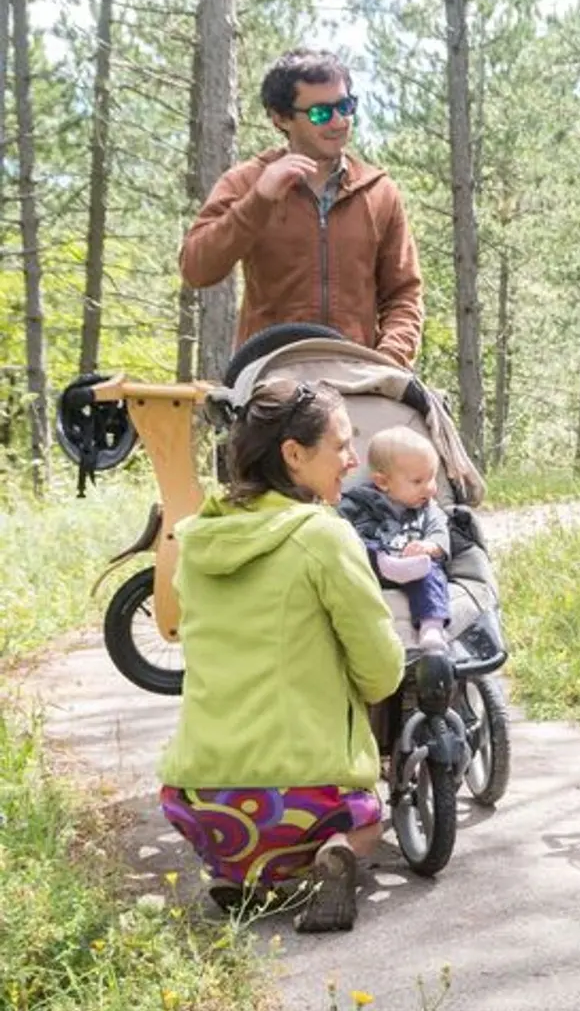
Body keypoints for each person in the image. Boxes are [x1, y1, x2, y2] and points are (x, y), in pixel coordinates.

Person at [157, 378, 405, 932]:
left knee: (236, 829)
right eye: (340, 446)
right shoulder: (322, 535)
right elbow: (382, 670)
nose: (352, 459)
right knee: (366, 820)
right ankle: (334, 850)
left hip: (199, 799)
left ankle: (236, 872)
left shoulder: (194, 541)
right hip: (305, 798)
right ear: (294, 455)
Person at [180, 48, 425, 368]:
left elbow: (404, 295)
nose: (339, 122)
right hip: (270, 377)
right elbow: (197, 268)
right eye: (321, 113)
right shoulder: (246, 182)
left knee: (426, 417)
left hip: (358, 377)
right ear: (280, 118)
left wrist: (387, 362)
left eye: (345, 106)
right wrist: (259, 200)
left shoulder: (378, 191)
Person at [338, 426, 452, 652]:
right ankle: (387, 565)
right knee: (359, 547)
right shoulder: (360, 502)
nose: (429, 488)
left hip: (414, 567)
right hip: (372, 568)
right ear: (382, 482)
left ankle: (432, 627)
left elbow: (440, 531)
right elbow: (336, 524)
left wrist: (431, 547)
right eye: (418, 481)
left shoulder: (428, 509)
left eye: (432, 478)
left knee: (431, 571)